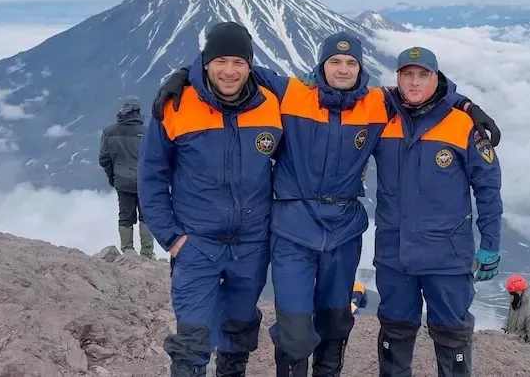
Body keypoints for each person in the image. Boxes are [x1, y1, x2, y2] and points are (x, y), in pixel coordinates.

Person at [151, 32, 501, 377]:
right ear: (321, 65)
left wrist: (468, 106)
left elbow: (424, 96)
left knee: (336, 320)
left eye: (351, 62)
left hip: (343, 229)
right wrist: (182, 76)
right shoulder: (292, 94)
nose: (343, 69)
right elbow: (237, 67)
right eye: (335, 61)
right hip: (293, 227)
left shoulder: (377, 104)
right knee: (296, 327)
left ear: (361, 68)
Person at [137, 22, 283, 377]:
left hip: (251, 244)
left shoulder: (274, 102)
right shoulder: (175, 106)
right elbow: (150, 176)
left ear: (250, 65)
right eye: (220, 61)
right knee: (192, 340)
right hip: (196, 244)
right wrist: (172, 238)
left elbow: (323, 104)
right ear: (205, 63)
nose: (229, 71)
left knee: (238, 333)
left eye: (238, 61)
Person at [373, 46, 503, 377]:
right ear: (398, 79)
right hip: (394, 253)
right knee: (395, 329)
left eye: (423, 75)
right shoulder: (381, 117)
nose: (414, 83)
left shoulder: (463, 125)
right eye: (407, 75)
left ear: (436, 78)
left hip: (446, 255)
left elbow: (487, 188)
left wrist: (490, 243)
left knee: (451, 333)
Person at [98, 97, 155, 259]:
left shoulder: (109, 132)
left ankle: (128, 252)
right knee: (146, 216)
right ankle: (147, 253)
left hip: (121, 181)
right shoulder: (147, 132)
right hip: (144, 182)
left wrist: (113, 177)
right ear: (137, 112)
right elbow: (156, 159)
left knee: (125, 216)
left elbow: (104, 159)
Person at [502, 274, 530, 346]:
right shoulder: (514, 303)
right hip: (509, 345)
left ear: (519, 293)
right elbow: (509, 317)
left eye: (512, 294)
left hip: (520, 350)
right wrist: (503, 329)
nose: (509, 296)